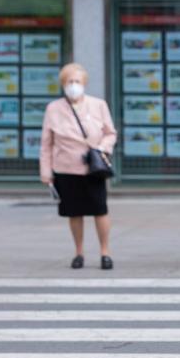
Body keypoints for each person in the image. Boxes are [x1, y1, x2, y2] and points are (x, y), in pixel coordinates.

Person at [39, 63, 117, 270]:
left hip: (93, 167)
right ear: (63, 84)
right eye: (69, 82)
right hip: (66, 167)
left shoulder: (98, 105)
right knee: (74, 212)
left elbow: (111, 132)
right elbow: (46, 143)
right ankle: (79, 252)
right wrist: (46, 171)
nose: (73, 85)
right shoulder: (53, 109)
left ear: (84, 84)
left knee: (100, 210)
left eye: (77, 81)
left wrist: (102, 148)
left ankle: (105, 252)